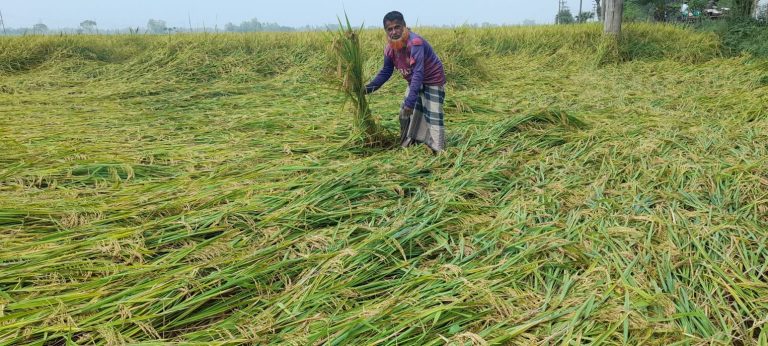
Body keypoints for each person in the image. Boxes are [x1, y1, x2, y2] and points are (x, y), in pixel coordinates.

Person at [365, 11, 447, 153]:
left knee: (433, 116)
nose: (394, 32)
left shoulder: (415, 43)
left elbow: (418, 73)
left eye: (397, 27)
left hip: (432, 80)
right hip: (414, 81)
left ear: (404, 26)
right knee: (404, 114)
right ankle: (408, 144)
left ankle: (439, 151)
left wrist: (410, 102)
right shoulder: (390, 48)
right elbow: (386, 71)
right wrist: (367, 89)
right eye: (389, 29)